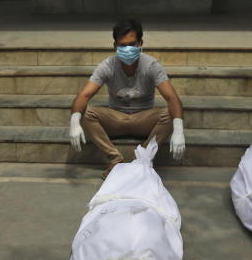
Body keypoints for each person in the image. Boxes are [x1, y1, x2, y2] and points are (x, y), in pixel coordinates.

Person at [68, 18, 186, 178]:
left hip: (144, 119)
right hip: (116, 118)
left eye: (132, 44)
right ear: (115, 46)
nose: (128, 49)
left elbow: (173, 99)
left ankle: (142, 159)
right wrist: (74, 122)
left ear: (140, 43)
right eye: (122, 45)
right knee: (84, 113)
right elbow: (84, 95)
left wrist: (178, 129)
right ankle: (115, 160)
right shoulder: (107, 65)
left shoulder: (151, 65)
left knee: (171, 114)